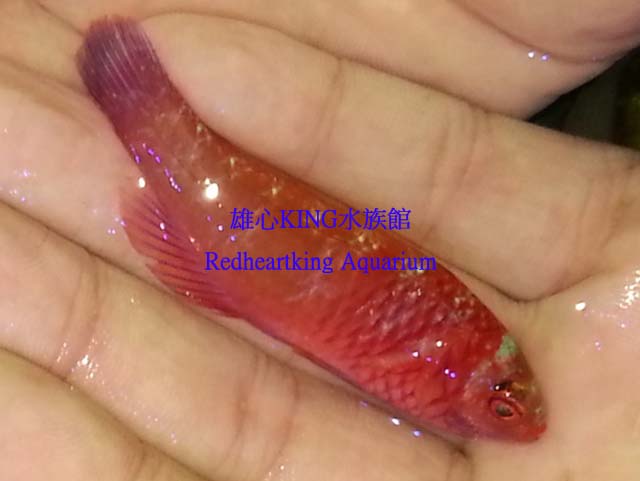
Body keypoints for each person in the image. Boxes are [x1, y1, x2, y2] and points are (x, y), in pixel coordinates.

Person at [1, 1, 640, 480]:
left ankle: (142, 114)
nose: (518, 421)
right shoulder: (449, 367)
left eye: (505, 408)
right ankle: (141, 109)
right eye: (502, 410)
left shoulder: (459, 359)